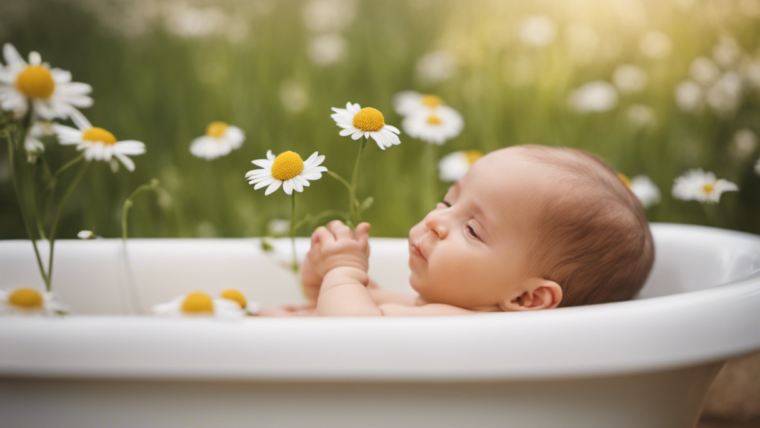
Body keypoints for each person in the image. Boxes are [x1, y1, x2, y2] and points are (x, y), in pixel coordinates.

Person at [259, 145, 654, 316]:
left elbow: (351, 337)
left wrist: (342, 272)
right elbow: (332, 302)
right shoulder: (424, 305)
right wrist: (321, 274)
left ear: (528, 297)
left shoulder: (455, 326)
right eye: (448, 202)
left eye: (473, 231)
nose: (435, 220)